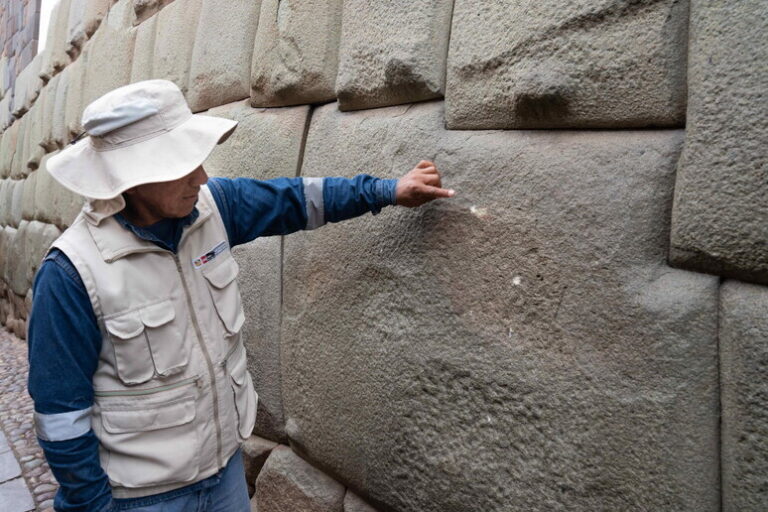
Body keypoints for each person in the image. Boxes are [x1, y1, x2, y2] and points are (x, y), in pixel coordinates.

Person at [26, 79, 454, 512]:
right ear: (131, 178)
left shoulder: (215, 208)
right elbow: (61, 416)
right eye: (181, 164)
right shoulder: (70, 274)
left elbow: (295, 200)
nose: (201, 176)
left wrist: (389, 191)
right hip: (140, 500)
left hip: (226, 475)